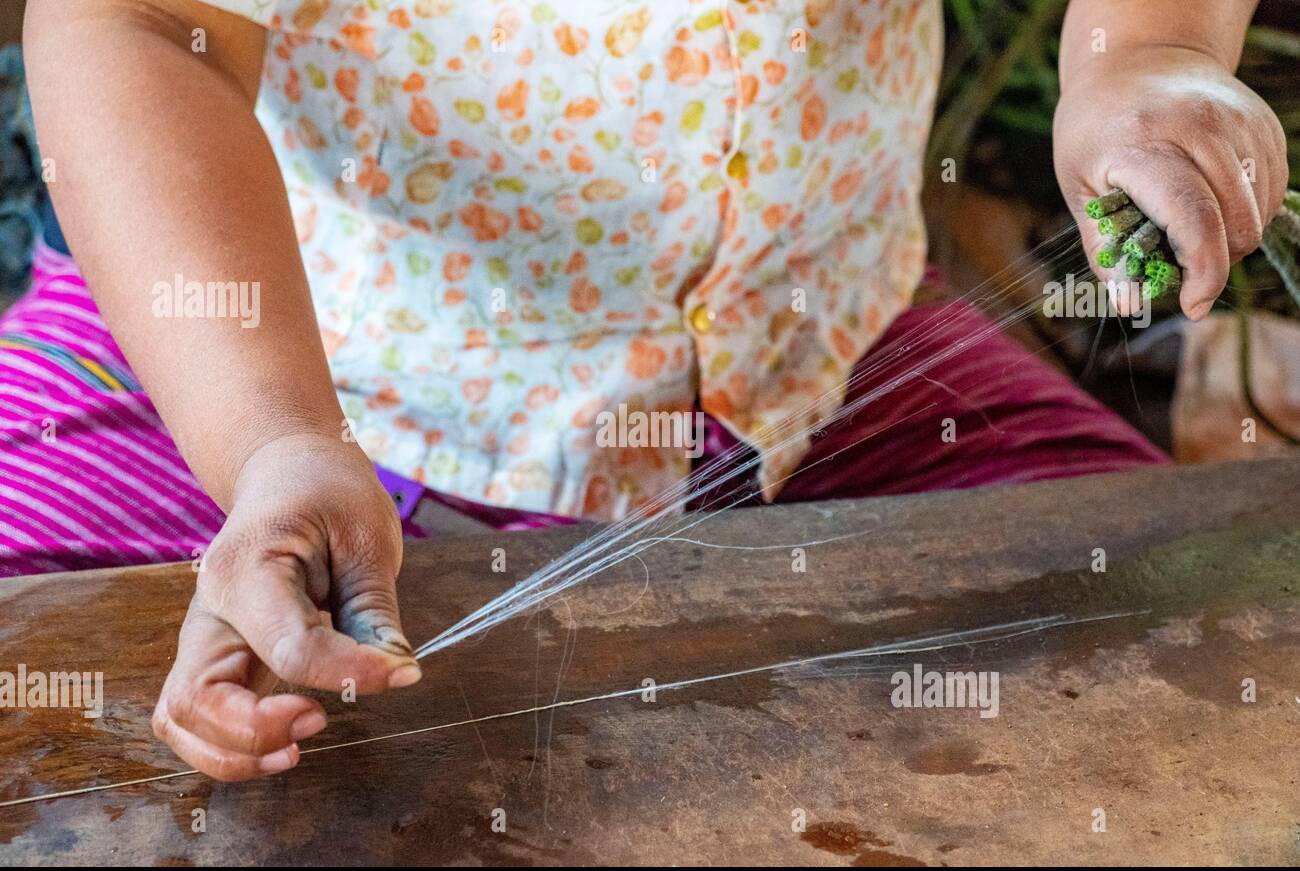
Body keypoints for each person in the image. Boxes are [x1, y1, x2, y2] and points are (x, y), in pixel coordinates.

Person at [8, 0, 1285, 779]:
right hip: (269, 363)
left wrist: (1148, 49)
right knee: (58, 718)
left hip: (818, 359)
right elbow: (129, 19)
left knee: (1185, 674)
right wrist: (272, 439)